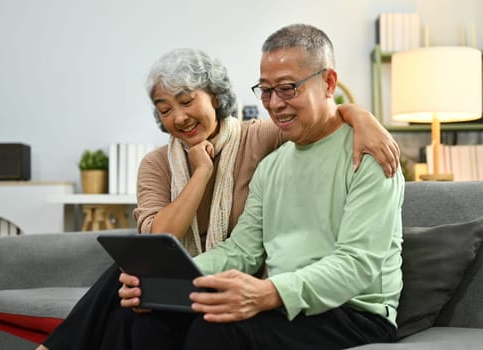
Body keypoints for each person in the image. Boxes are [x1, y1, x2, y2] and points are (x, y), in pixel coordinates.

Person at [37, 45, 400, 350]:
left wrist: (364, 118)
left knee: (211, 328)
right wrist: (200, 175)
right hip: (249, 286)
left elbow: (324, 120)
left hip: (348, 309)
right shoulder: (270, 164)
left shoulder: (268, 140)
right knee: (140, 302)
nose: (178, 117)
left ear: (214, 97)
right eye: (165, 109)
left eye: (287, 89)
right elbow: (236, 248)